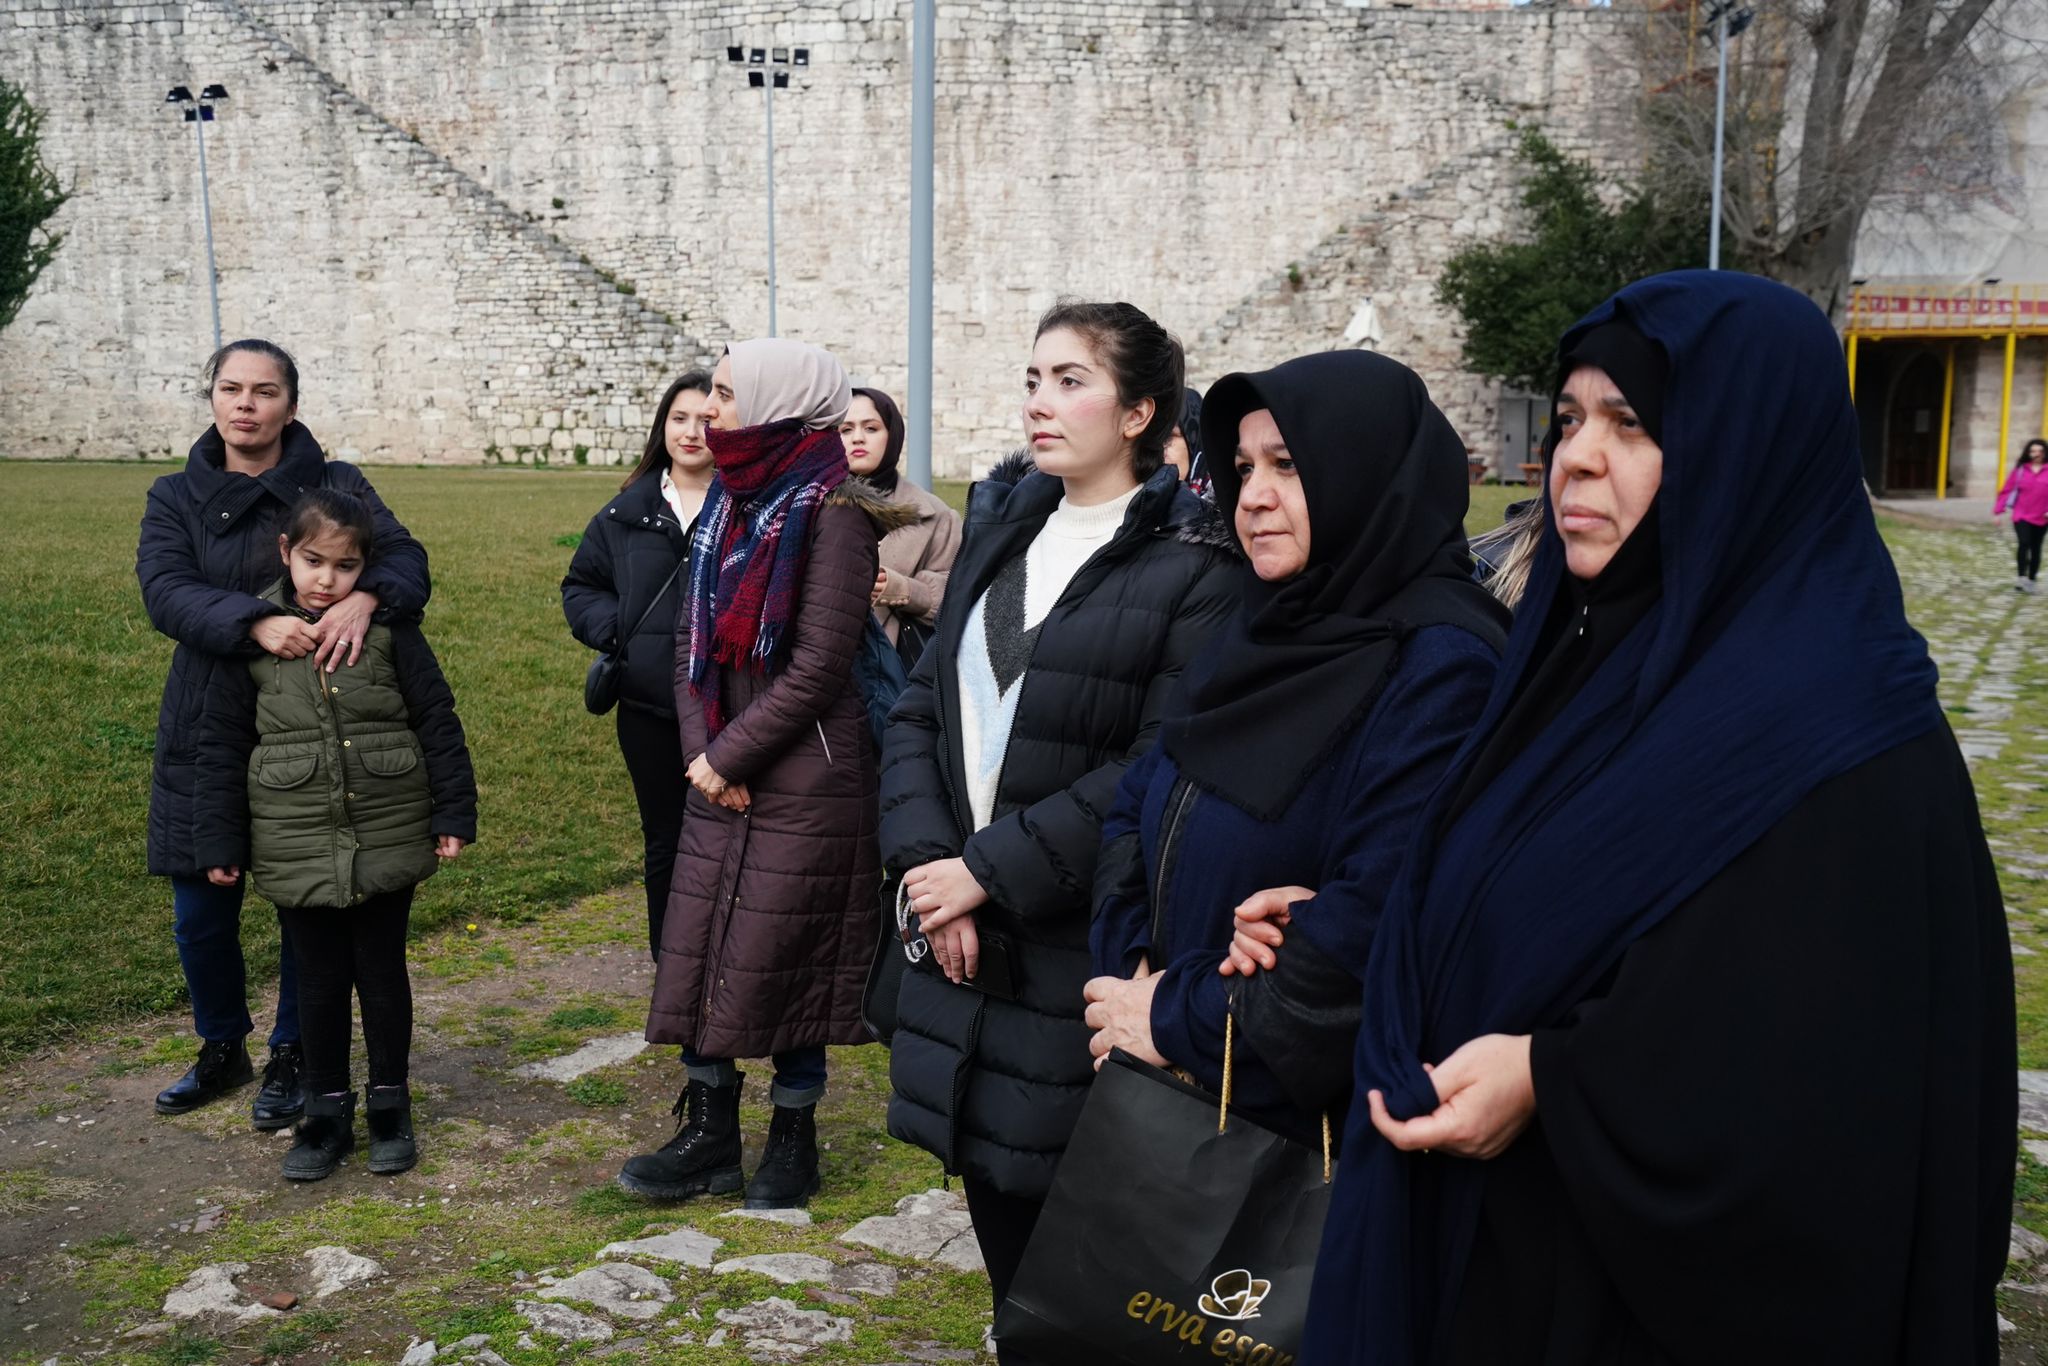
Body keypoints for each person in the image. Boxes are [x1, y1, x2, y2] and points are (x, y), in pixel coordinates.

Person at [1283, 272, 2014, 1365]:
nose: (1574, 457)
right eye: (1571, 418)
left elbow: (1823, 1073)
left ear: (1742, 450)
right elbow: (1529, 878)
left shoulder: (1848, 739)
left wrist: (1552, 1079)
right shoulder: (1585, 658)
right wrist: (1397, 919)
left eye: (1630, 424)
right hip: (1489, 1265)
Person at [879, 300, 1239, 1358]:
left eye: (1071, 380)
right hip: (961, 946)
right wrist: (928, 867)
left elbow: (1155, 763)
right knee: (1002, 1231)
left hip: (1076, 954)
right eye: (1033, 378)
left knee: (1091, 1267)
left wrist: (985, 872)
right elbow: (918, 710)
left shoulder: (1194, 567)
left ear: (1138, 412)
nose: (1040, 401)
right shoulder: (1004, 533)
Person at [1083, 351, 1506, 1147]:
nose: (1253, 496)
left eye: (1288, 464)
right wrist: (1131, 970)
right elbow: (1138, 805)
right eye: (1243, 469)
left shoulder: (1443, 665)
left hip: (1315, 1139)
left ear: (1366, 472)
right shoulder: (1258, 628)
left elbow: (1376, 927)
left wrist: (1173, 1016)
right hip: (1169, 1087)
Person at [622, 338, 912, 1210]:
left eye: (726, 392)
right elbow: (691, 641)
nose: (711, 408)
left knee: (793, 949)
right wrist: (701, 755)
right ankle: (709, 1134)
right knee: (701, 942)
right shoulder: (730, 501)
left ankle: (794, 1141)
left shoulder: (835, 514)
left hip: (809, 774)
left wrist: (726, 756)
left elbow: (819, 666)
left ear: (781, 402)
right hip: (721, 767)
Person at [137, 339, 431, 1129]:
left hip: (313, 721)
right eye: (231, 388)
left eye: (264, 391)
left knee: (314, 902)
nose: (246, 404)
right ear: (212, 398)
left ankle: (296, 1053)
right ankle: (220, 1044)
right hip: (208, 716)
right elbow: (164, 589)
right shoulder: (174, 495)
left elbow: (406, 560)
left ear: (290, 405)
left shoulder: (338, 483)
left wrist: (368, 597)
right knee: (201, 911)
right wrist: (256, 621)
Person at [193, 489, 476, 1181]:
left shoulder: (391, 631)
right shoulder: (253, 638)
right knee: (316, 981)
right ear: (287, 554)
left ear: (365, 566)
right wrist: (220, 841)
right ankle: (324, 1112)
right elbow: (221, 746)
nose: (327, 579)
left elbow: (437, 719)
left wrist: (452, 812)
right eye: (314, 561)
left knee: (382, 973)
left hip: (388, 827)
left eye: (345, 567)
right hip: (293, 839)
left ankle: (389, 1104)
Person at [562, 371, 715, 957]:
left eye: (706, 420)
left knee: (728, 840)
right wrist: (622, 633)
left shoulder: (747, 507)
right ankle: (671, 966)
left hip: (726, 706)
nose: (692, 432)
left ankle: (726, 969)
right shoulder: (627, 511)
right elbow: (581, 586)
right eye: (679, 418)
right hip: (649, 707)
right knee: (666, 842)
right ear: (662, 426)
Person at [841, 384, 962, 665]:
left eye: (871, 428)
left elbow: (959, 595)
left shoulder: (937, 516)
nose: (857, 438)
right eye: (846, 430)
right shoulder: (812, 505)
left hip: (898, 672)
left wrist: (905, 590)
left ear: (892, 434)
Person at [1994, 437, 2048, 593]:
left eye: (2040, 451)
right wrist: (1998, 511)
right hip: (2021, 514)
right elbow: (2006, 491)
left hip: (2042, 516)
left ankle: (2032, 580)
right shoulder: (2020, 470)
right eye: (2033, 451)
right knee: (2024, 543)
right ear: (2028, 453)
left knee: (2036, 547)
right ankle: (2021, 578)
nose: (2036, 454)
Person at [1160, 385, 1211, 499]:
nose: (1157, 449)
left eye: (1167, 437)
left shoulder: (1226, 498)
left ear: (1194, 439)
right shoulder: (1142, 501)